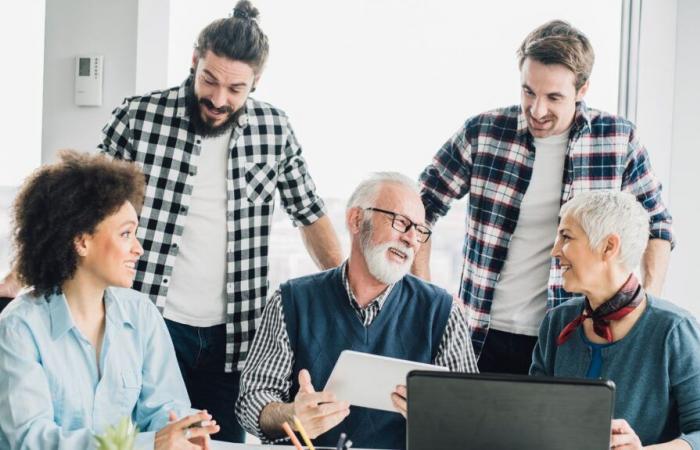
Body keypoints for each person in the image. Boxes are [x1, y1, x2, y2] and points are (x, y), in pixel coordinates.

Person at [0, 0, 344, 442]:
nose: (219, 99)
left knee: (203, 438)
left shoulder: (275, 131)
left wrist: (344, 289)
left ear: (256, 83)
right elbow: (79, 203)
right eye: (209, 80)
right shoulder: (140, 117)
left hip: (233, 332)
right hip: (152, 319)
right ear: (194, 61)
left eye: (236, 89)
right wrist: (24, 272)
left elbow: (309, 212)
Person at [415, 20, 674, 375]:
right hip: (479, 333)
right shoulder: (483, 133)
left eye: (554, 97)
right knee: (471, 431)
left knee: (555, 432)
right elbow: (419, 210)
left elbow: (657, 226)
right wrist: (425, 297)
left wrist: (645, 312)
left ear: (582, 89)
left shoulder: (617, 140)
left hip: (571, 338)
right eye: (528, 92)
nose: (537, 110)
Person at [235, 172, 477, 450]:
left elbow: (471, 416)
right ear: (356, 220)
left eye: (420, 230)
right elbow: (251, 400)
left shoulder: (442, 312)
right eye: (401, 223)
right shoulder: (290, 300)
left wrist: (438, 417)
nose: (412, 239)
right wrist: (292, 415)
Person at [0, 151, 220, 450]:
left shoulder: (141, 314)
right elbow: (30, 440)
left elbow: (164, 407)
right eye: (126, 234)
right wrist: (149, 444)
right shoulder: (18, 328)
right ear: (82, 240)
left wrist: (183, 428)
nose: (139, 249)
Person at [530, 190, 700, 448]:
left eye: (566, 236)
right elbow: (533, 414)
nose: (555, 251)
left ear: (609, 246)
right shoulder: (557, 320)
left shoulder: (675, 329)